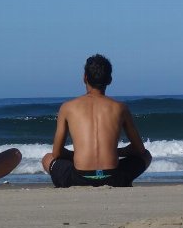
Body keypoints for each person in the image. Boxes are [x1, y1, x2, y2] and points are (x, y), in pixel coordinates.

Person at [41, 54, 152, 188]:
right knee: (146, 156)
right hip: (114, 178)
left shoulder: (67, 107)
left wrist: (78, 154)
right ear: (110, 80)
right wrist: (115, 152)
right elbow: (140, 150)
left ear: (84, 78)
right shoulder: (120, 107)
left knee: (47, 158)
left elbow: (57, 153)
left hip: (78, 179)